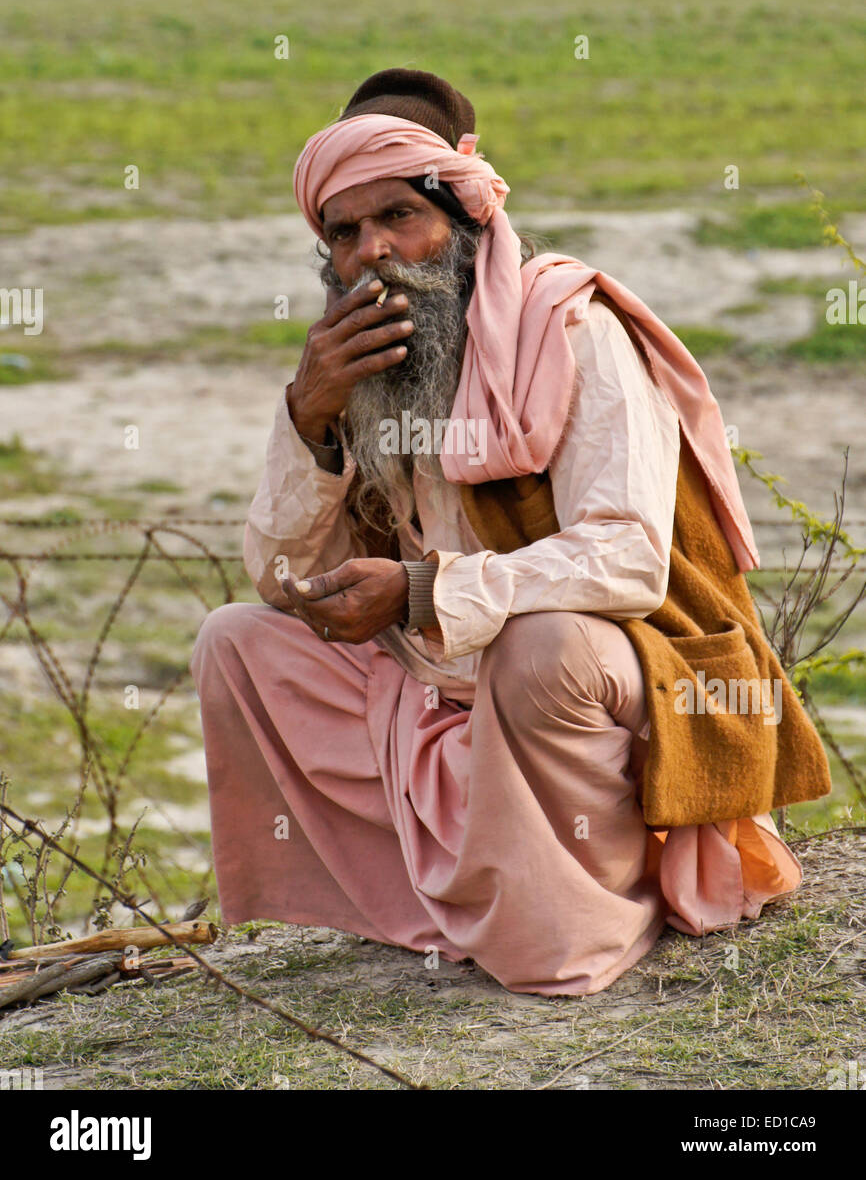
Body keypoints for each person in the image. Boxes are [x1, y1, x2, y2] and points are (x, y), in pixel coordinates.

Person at [190, 67, 824, 996]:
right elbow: (281, 577)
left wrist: (422, 592)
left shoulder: (572, 329)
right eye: (346, 231)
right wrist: (311, 420)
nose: (374, 253)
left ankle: (596, 910)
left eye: (399, 217)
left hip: (614, 678)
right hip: (440, 685)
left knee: (542, 646)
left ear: (467, 212)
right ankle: (425, 907)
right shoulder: (361, 369)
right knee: (235, 644)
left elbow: (628, 559)